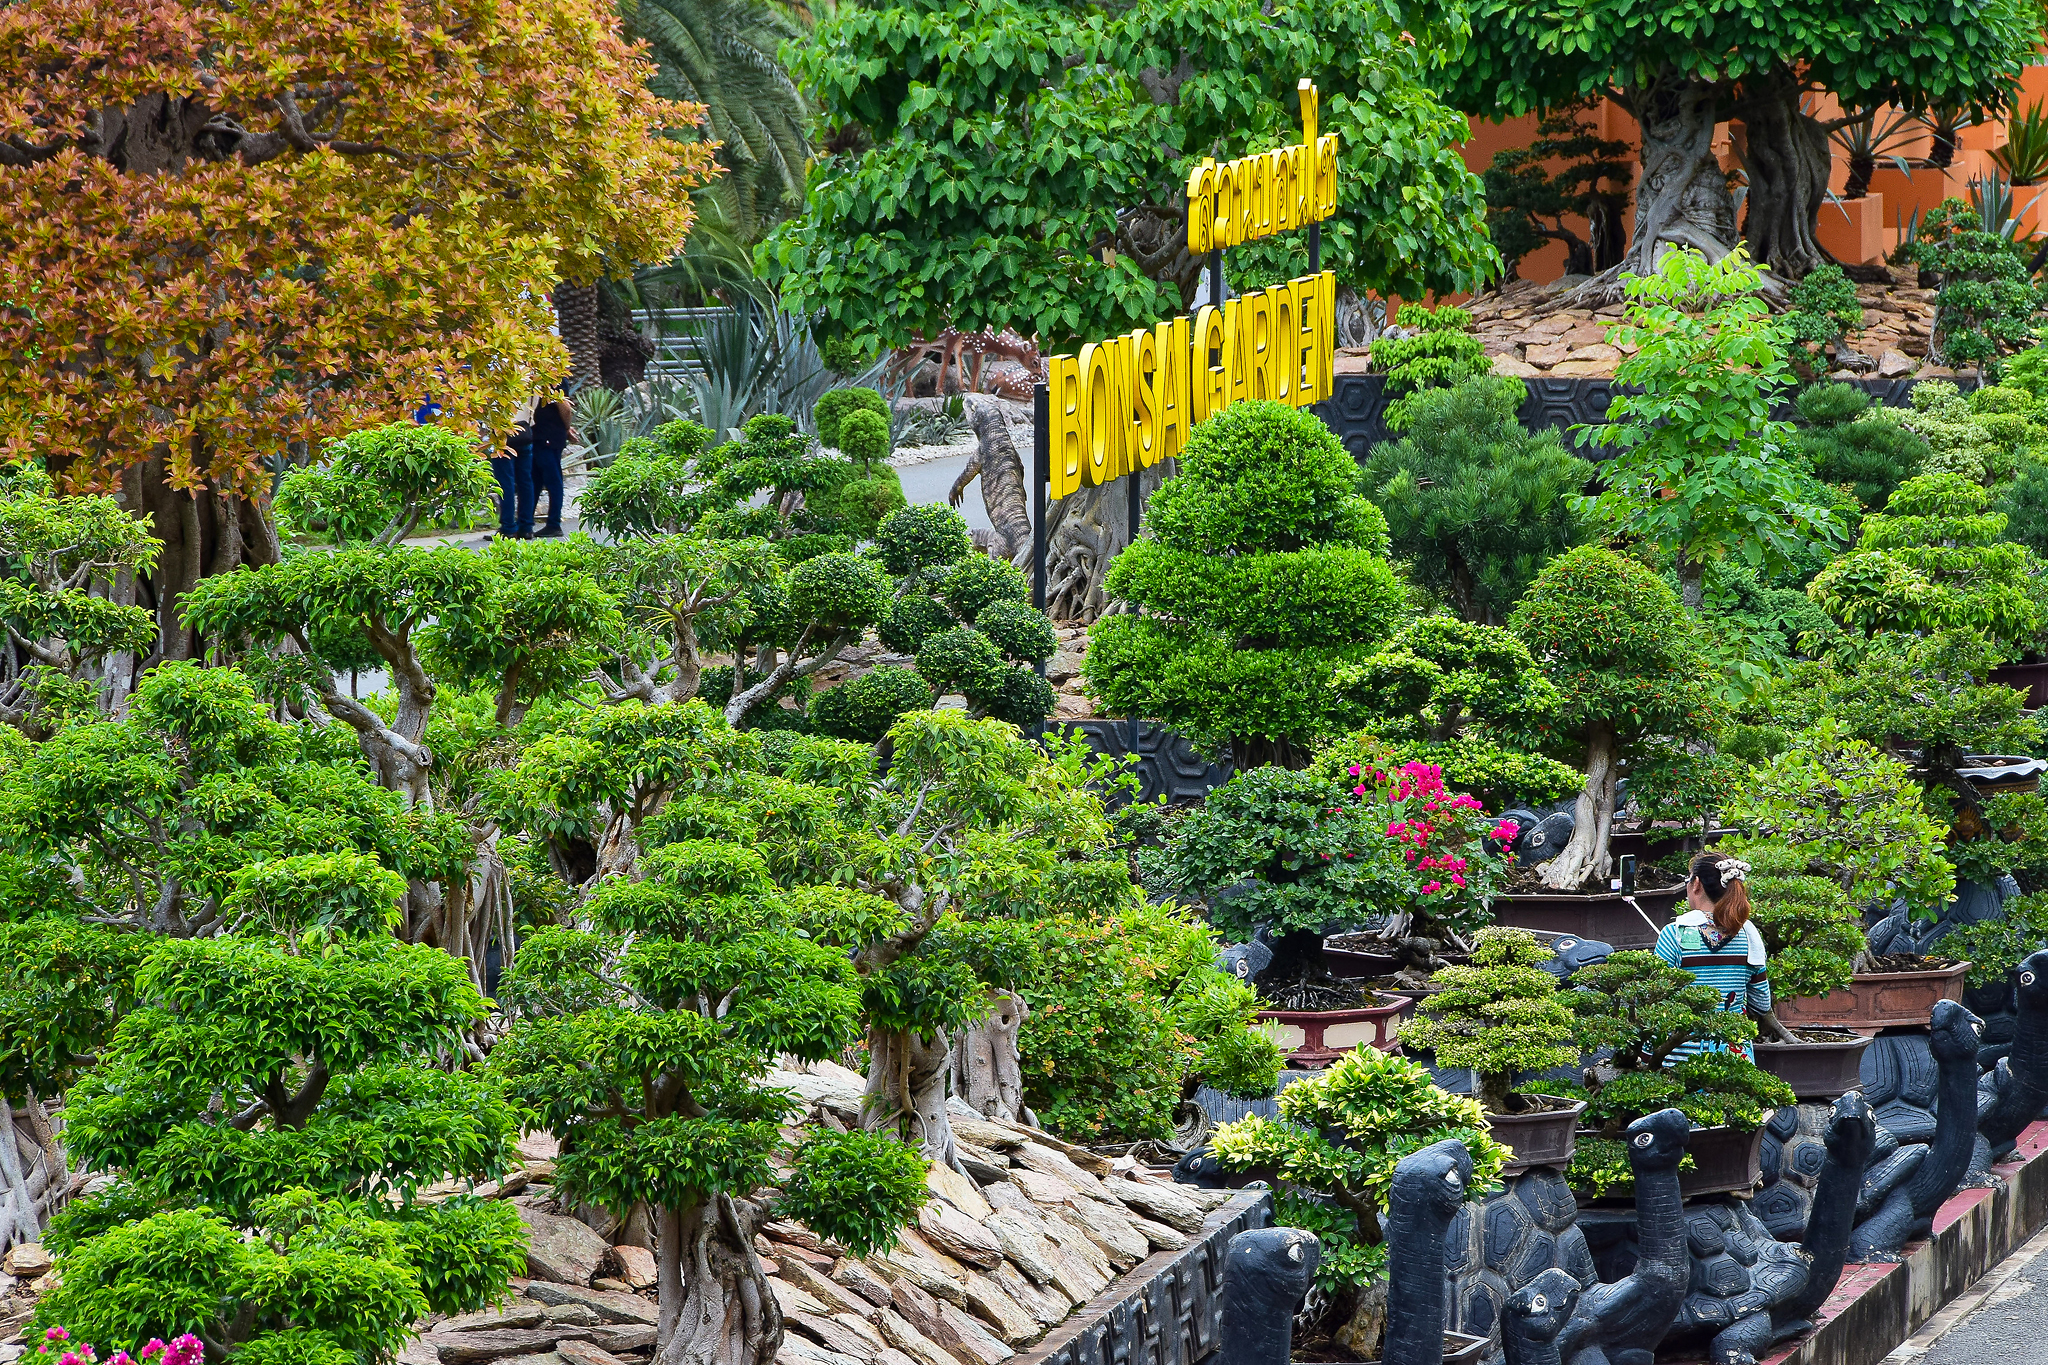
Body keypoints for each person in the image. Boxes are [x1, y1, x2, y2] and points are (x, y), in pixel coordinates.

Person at [1654, 853, 1769, 1061]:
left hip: (1679, 1060)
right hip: (1734, 1059)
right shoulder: (1749, 935)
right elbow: (1761, 1003)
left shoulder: (1674, 933)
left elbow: (1653, 1003)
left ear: (1696, 884)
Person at [529, 382, 578, 538]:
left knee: (553, 479)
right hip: (538, 434)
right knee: (534, 480)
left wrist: (565, 428)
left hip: (549, 435)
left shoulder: (555, 377)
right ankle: (526, 521)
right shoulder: (540, 374)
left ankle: (554, 523)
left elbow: (565, 408)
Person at [492, 397, 538, 541]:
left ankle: (508, 527)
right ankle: (526, 526)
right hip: (524, 431)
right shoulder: (530, 376)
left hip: (502, 433)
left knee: (505, 482)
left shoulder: (498, 376)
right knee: (525, 481)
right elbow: (535, 402)